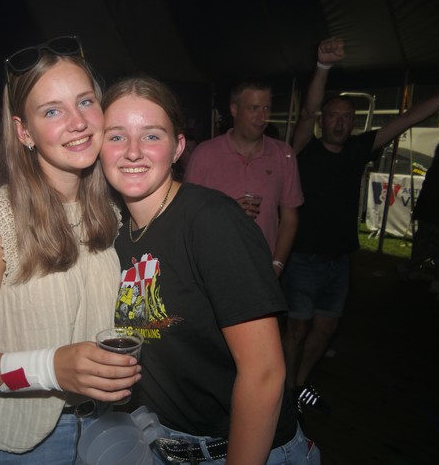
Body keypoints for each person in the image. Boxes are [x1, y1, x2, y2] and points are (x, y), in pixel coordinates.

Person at [0, 37, 140, 463]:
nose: (78, 122)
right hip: (20, 445)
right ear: (23, 131)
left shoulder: (109, 213)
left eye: (85, 102)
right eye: (52, 111)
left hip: (103, 427)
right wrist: (50, 369)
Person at [100, 75, 318, 464]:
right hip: (161, 443)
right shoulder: (117, 233)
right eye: (116, 136)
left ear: (178, 147)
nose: (133, 151)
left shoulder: (213, 222)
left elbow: (265, 374)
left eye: (151, 136)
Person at [284, 37, 439, 414]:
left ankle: (299, 383)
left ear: (354, 123)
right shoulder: (305, 149)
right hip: (303, 258)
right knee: (296, 330)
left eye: (346, 117)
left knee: (326, 328)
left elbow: (408, 118)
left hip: (340, 260)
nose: (339, 122)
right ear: (323, 121)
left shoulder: (359, 150)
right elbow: (306, 112)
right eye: (333, 115)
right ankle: (285, 389)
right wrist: (323, 67)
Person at [184, 77, 303, 277]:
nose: (262, 117)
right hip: (212, 271)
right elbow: (186, 215)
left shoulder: (283, 154)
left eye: (266, 108)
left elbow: (289, 219)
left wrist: (277, 266)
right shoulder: (205, 154)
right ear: (234, 109)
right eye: (253, 108)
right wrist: (228, 213)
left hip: (262, 272)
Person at [397, 139, 439, 289]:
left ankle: (412, 269)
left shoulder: (435, 168)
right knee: (435, 244)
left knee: (424, 242)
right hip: (435, 211)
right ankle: (410, 266)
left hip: (427, 209)